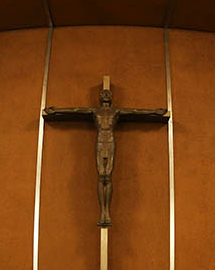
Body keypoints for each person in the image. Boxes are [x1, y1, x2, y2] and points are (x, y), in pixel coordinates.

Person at [44, 86, 168, 227]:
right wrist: (57, 110)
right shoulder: (94, 111)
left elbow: (135, 111)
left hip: (110, 142)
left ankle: (106, 211)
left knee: (108, 176)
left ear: (112, 97)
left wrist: (155, 112)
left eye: (108, 93)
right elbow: (76, 110)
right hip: (100, 142)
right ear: (99, 97)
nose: (106, 94)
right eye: (103, 93)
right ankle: (102, 211)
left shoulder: (116, 111)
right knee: (101, 175)